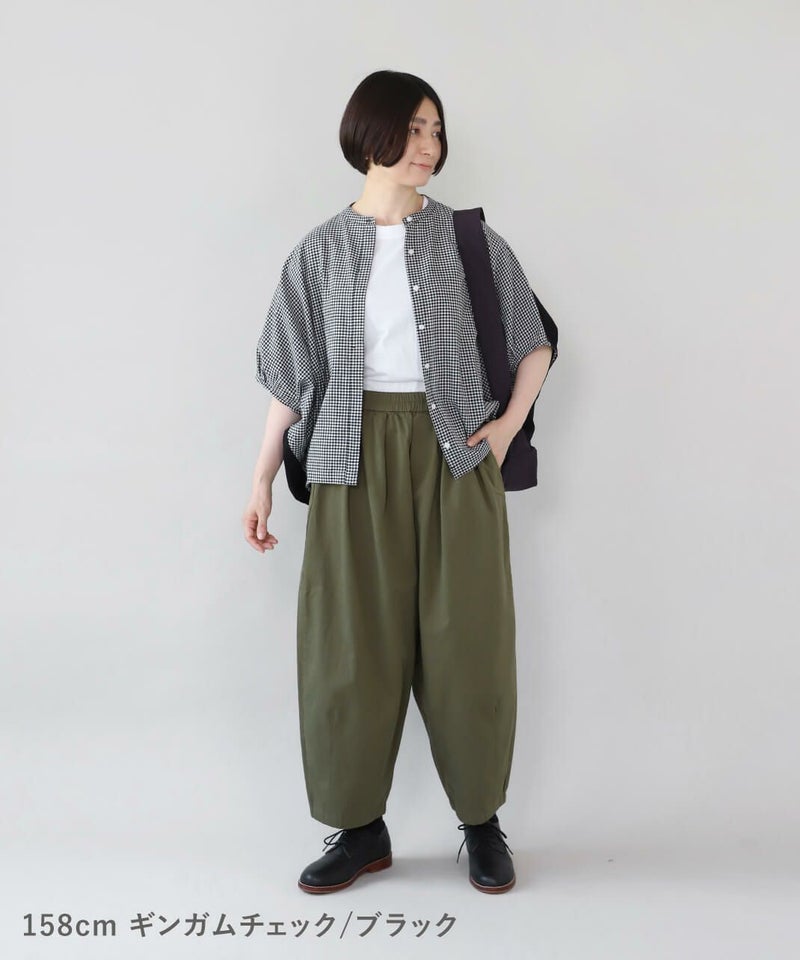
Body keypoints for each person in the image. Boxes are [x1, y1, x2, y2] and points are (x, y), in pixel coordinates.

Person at [242, 70, 557, 895]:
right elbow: (290, 377)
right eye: (414, 129)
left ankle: (481, 824)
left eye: (435, 130)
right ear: (370, 134)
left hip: (455, 456)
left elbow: (533, 342)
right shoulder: (317, 252)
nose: (429, 146)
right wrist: (262, 478)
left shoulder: (470, 241)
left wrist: (504, 430)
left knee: (469, 641)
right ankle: (360, 831)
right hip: (347, 458)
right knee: (349, 645)